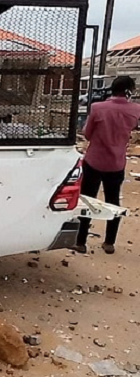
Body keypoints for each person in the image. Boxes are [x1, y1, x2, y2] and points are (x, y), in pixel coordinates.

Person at [73, 76, 140, 254]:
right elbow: (132, 129)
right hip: (116, 163)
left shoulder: (97, 108)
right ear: (128, 91)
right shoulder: (136, 110)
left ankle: (80, 242)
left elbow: (87, 134)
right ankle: (109, 242)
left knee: (88, 200)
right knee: (113, 201)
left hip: (94, 161)